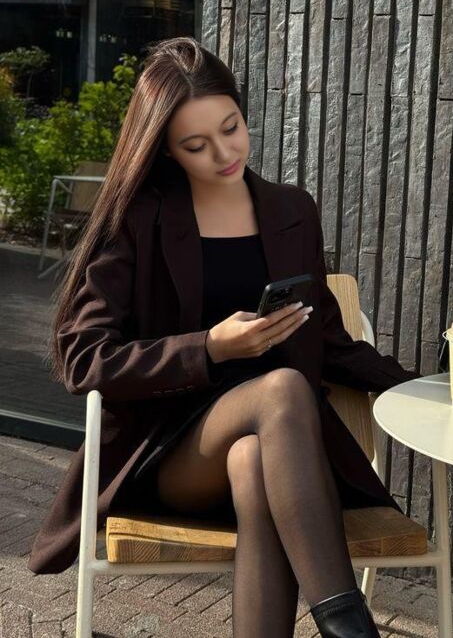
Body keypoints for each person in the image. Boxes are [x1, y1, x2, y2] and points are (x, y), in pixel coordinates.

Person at [27, 37, 422, 637]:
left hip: (282, 463)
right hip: (171, 454)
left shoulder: (292, 210)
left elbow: (330, 342)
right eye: (196, 145)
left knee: (255, 457)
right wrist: (210, 348)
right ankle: (352, 629)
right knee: (282, 388)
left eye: (231, 128)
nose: (223, 152)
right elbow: (85, 359)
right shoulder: (138, 219)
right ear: (165, 147)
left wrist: (424, 386)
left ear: (241, 109)